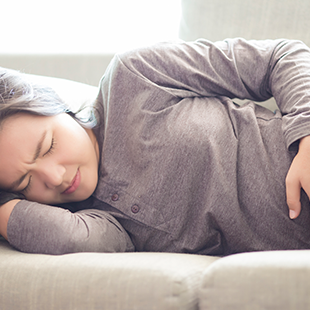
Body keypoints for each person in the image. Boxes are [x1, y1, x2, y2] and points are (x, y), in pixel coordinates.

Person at [0, 37, 310, 256]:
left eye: (48, 146)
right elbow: (67, 240)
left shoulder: (133, 76)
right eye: (26, 183)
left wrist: (307, 137)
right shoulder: (100, 221)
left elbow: (280, 57)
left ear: (59, 106)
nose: (54, 178)